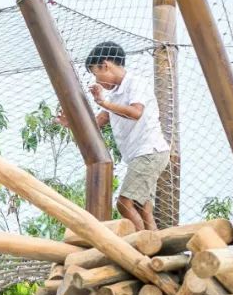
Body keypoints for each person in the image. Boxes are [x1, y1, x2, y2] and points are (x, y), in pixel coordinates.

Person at [60, 41, 170, 231]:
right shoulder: (114, 96)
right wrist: (72, 124)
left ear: (106, 65)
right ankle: (155, 247)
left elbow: (136, 112)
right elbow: (96, 124)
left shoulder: (135, 83)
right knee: (142, 208)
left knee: (124, 203)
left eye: (96, 74)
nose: (97, 80)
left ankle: (141, 244)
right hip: (142, 154)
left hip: (149, 151)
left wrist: (103, 102)